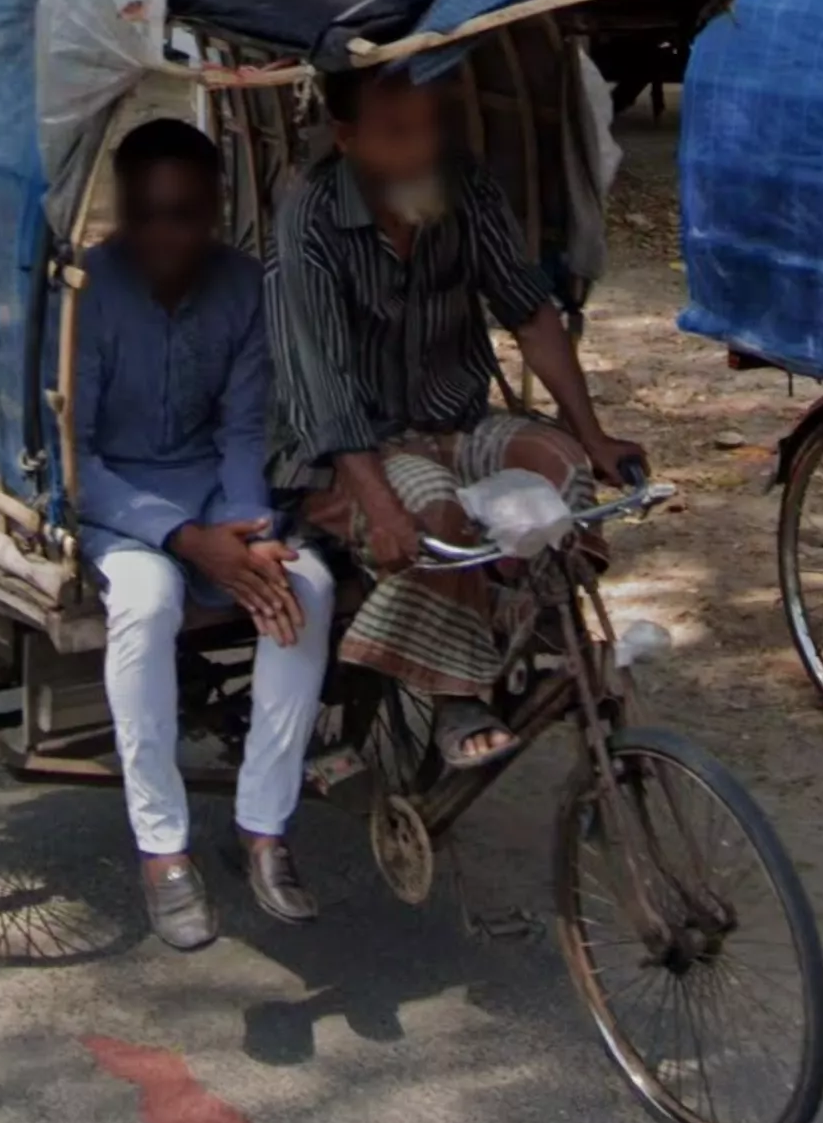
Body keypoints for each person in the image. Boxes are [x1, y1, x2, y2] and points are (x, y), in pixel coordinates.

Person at [270, 66, 647, 768]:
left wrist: (591, 435)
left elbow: (528, 312)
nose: (422, 150)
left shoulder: (462, 185)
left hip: (459, 422)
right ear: (347, 139)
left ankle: (533, 628)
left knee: (561, 468)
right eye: (397, 133)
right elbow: (326, 392)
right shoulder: (311, 217)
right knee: (430, 507)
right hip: (349, 451)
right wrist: (379, 505)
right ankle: (455, 695)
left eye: (429, 128)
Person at [78, 119, 336, 949]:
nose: (166, 235)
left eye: (186, 214)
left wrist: (246, 530)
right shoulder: (85, 291)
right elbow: (75, 457)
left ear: (216, 210)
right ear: (123, 211)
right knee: (147, 603)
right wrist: (185, 538)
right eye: (147, 215)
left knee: (305, 588)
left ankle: (264, 826)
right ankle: (163, 848)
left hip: (213, 492)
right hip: (116, 507)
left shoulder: (241, 286)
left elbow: (241, 430)